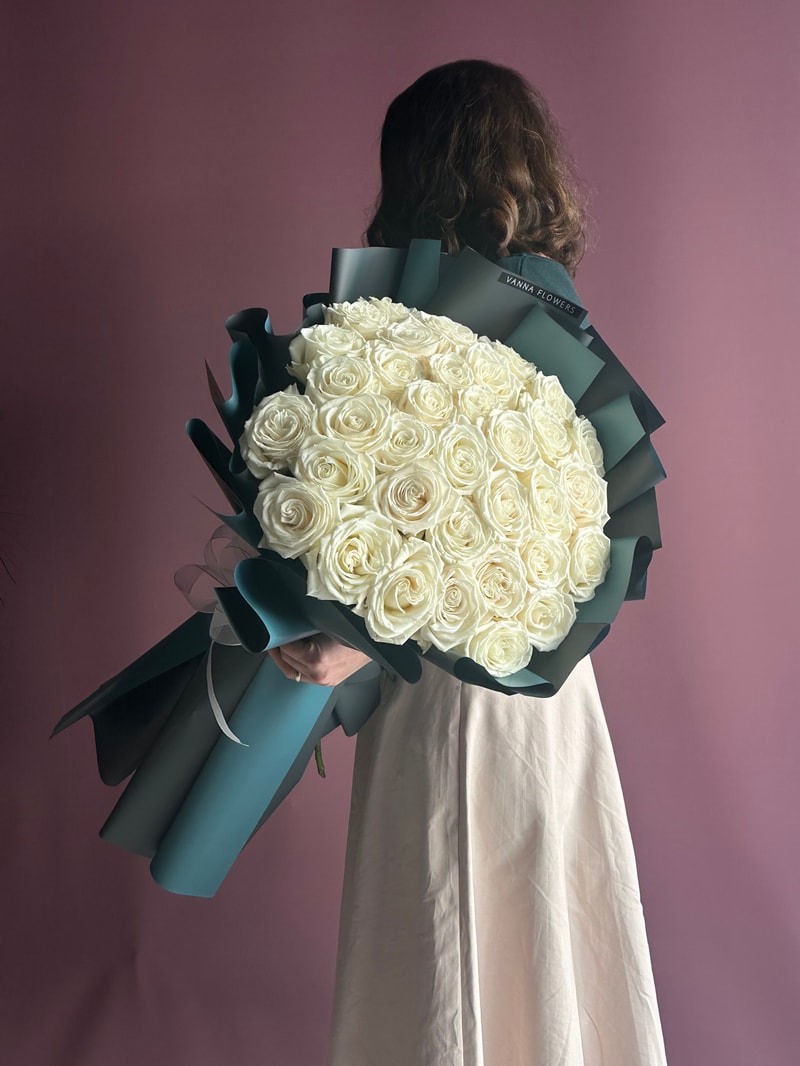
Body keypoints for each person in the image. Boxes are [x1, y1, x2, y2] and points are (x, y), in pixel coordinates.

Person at [270, 60, 668, 1066]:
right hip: (548, 693)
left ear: (412, 171)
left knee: (443, 943)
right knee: (540, 938)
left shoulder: (426, 321)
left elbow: (466, 531)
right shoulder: (552, 314)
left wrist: (356, 639)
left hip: (448, 693)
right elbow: (557, 536)